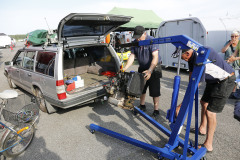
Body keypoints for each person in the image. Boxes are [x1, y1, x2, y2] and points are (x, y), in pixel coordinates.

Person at [176, 47, 235, 152]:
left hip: (225, 80)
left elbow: (196, 84)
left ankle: (208, 145)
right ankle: (202, 128)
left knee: (210, 112)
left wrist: (181, 106)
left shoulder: (201, 58)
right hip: (213, 80)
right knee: (203, 102)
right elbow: (191, 80)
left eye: (182, 56)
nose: (182, 59)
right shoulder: (191, 58)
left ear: (188, 53)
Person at [122, 26, 162, 117]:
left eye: (139, 36)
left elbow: (155, 57)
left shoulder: (152, 40)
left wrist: (150, 71)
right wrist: (125, 68)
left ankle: (156, 110)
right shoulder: (135, 42)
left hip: (154, 68)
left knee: (155, 90)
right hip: (142, 67)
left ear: (144, 33)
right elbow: (132, 56)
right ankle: (142, 105)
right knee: (141, 88)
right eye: (136, 37)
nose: (138, 39)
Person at [221, 30, 239, 98]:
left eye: (235, 36)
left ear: (238, 36)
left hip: (237, 65)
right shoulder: (228, 43)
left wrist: (235, 58)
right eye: (232, 36)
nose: (234, 37)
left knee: (235, 79)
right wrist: (229, 44)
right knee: (225, 78)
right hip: (227, 64)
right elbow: (223, 51)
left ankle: (233, 92)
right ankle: (224, 91)